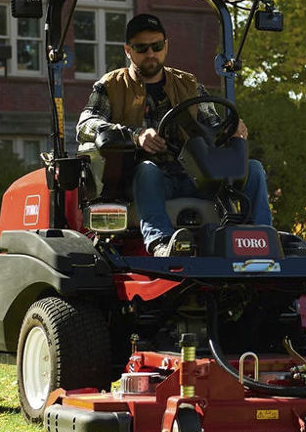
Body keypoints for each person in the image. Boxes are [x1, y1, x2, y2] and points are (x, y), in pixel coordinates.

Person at [77, 13, 273, 256]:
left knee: (253, 168)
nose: (151, 53)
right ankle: (161, 242)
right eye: (141, 48)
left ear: (166, 46)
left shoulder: (188, 84)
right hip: (145, 179)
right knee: (147, 170)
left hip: (196, 175)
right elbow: (86, 124)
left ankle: (262, 239)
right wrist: (136, 135)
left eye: (157, 46)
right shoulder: (111, 85)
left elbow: (212, 122)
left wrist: (229, 128)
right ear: (128, 50)